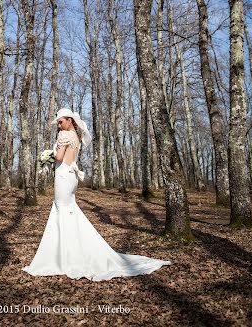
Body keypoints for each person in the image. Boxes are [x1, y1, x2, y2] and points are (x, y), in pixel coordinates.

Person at [22, 108, 171, 282]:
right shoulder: (76, 137)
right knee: (69, 212)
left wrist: (48, 155)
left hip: (63, 176)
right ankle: (68, 253)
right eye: (58, 123)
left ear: (70, 120)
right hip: (72, 177)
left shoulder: (64, 135)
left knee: (61, 211)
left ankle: (64, 256)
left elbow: (60, 157)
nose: (59, 125)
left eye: (61, 122)